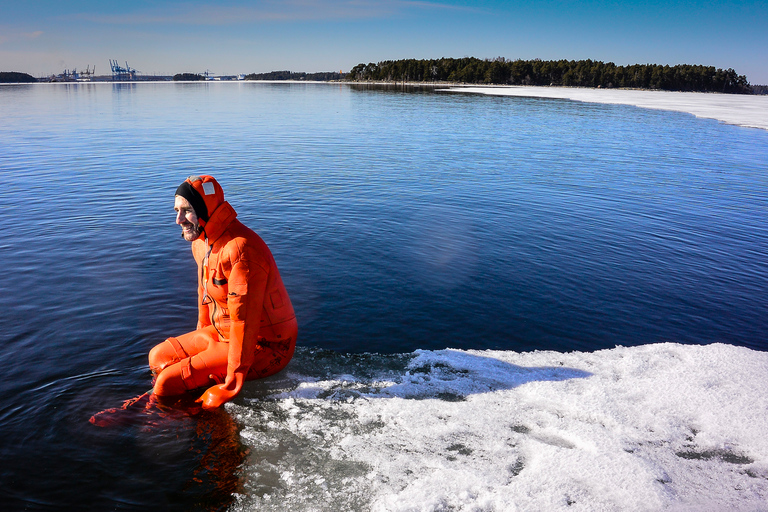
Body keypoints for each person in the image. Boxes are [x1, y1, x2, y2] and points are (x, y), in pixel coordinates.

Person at [148, 175, 297, 410]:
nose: (178, 220)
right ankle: (159, 405)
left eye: (186, 211)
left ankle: (162, 421)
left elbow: (244, 322)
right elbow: (203, 292)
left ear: (205, 210)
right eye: (176, 210)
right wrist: (200, 342)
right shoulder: (202, 241)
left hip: (265, 345)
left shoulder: (240, 250)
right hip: (222, 332)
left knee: (167, 382)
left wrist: (231, 385)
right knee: (157, 357)